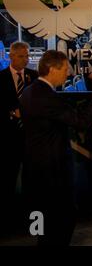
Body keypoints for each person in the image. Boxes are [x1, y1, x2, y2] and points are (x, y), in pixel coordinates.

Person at [19, 50, 92, 245]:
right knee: (62, 220)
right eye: (65, 69)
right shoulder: (47, 97)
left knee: (43, 224)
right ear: (52, 69)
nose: (68, 73)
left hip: (36, 169)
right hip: (52, 173)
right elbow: (80, 121)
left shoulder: (30, 91)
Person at [0, 42, 38, 228]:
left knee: (30, 176)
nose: (26, 59)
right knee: (8, 174)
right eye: (22, 56)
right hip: (8, 137)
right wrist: (11, 112)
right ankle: (8, 216)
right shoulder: (0, 78)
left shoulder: (34, 76)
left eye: (27, 55)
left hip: (30, 137)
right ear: (11, 57)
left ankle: (29, 214)